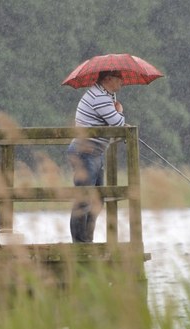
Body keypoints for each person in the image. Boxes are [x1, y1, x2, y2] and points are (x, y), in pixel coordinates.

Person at [66, 70, 126, 242]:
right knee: (83, 201)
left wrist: (115, 109)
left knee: (98, 201)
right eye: (119, 78)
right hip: (85, 152)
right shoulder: (99, 96)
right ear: (107, 79)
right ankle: (80, 245)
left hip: (95, 153)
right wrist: (120, 110)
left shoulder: (106, 96)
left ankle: (87, 240)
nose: (122, 81)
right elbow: (118, 123)